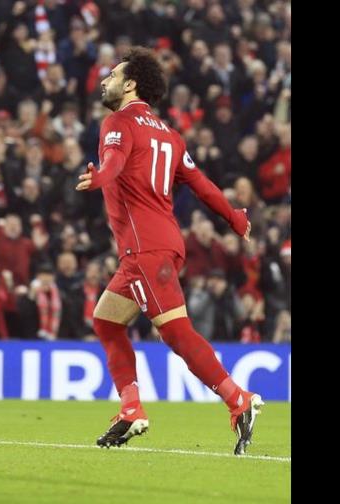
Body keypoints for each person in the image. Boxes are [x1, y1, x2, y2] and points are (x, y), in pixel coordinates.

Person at [75, 48, 262, 455]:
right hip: (163, 243)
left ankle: (238, 399)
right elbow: (201, 184)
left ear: (130, 84)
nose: (105, 81)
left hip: (144, 247)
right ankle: (131, 408)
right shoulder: (168, 134)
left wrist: (99, 177)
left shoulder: (118, 122)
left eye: (113, 75)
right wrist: (234, 217)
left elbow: (114, 161)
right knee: (107, 321)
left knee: (175, 331)